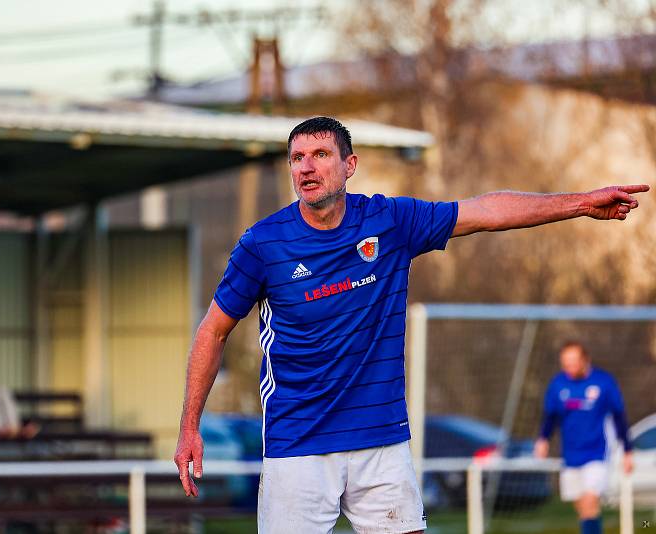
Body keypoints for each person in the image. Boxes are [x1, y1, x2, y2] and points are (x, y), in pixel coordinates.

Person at [173, 116, 648, 533]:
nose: (306, 167)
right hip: (298, 442)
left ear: (349, 165)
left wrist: (582, 203)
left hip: (380, 436)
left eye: (320, 154)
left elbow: (485, 211)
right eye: (297, 158)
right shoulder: (263, 245)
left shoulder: (390, 220)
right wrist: (190, 426)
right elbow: (212, 330)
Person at [535, 341, 633, 534]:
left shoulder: (603, 382)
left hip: (597, 453)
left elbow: (619, 416)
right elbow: (550, 417)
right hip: (570, 456)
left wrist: (628, 450)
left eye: (573, 361)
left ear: (585, 360)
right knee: (584, 509)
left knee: (589, 501)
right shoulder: (558, 384)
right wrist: (543, 439)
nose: (569, 367)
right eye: (565, 362)